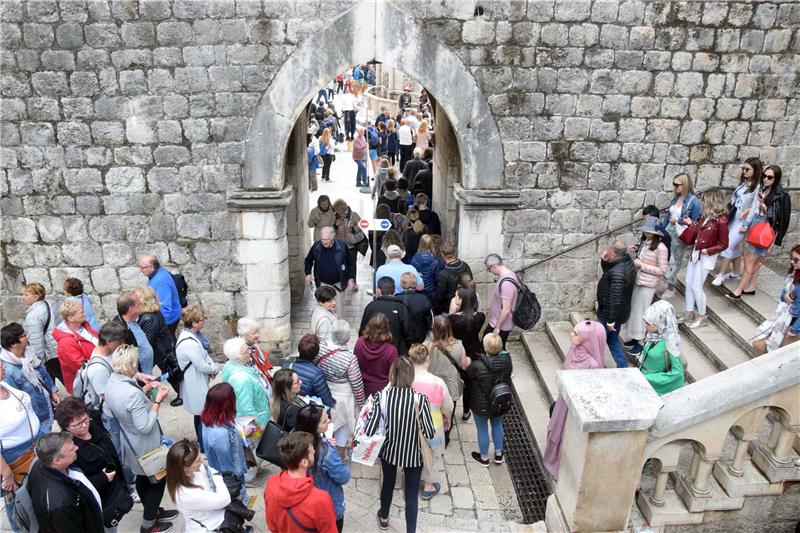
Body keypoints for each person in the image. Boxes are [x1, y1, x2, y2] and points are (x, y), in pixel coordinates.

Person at [104, 344, 177, 533]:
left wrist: (143, 392)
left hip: (130, 444)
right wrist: (157, 400)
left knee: (143, 478)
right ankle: (149, 524)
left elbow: (120, 409)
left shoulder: (113, 382)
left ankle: (152, 512)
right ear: (131, 365)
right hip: (146, 446)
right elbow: (145, 426)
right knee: (158, 482)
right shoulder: (130, 394)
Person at [365, 357, 435, 532]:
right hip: (413, 453)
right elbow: (430, 432)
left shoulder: (381, 397)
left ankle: (384, 518)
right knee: (411, 495)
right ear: (411, 376)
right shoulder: (421, 399)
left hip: (390, 450)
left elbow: (371, 429)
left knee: (388, 484)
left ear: (392, 374)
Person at [54, 397, 133, 531]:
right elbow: (74, 485)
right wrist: (102, 478)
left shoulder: (92, 426)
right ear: (66, 427)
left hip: (114, 489)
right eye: (77, 424)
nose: (84, 425)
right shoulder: (68, 449)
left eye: (85, 420)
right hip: (98, 501)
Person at [542, 320, 607, 479]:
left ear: (588, 338)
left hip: (573, 406)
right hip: (564, 399)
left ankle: (560, 466)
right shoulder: (575, 348)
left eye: (576, 333)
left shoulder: (592, 364)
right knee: (554, 428)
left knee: (565, 433)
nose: (571, 334)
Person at [730, 164, 793, 298]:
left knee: (750, 260)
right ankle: (751, 287)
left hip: (766, 228)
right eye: (764, 176)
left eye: (770, 177)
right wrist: (747, 222)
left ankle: (739, 290)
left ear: (776, 179)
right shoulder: (762, 189)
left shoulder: (782, 196)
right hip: (755, 224)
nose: (765, 179)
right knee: (752, 259)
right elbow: (754, 207)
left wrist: (777, 238)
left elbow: (783, 219)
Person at [167, 439, 252, 533]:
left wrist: (213, 474)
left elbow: (207, 469)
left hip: (217, 515)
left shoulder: (189, 473)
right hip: (212, 526)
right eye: (198, 460)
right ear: (184, 469)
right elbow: (224, 499)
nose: (202, 461)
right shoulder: (185, 494)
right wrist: (217, 476)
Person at [26, 432, 104, 533]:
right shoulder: (60, 505)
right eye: (72, 449)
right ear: (57, 460)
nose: (76, 448)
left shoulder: (40, 464)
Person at [263, 432, 338, 533]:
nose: (315, 451)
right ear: (304, 462)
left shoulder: (271, 483)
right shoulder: (321, 499)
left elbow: (272, 526)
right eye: (312, 451)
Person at [294, 405, 351, 532]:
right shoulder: (326, 453)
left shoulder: (294, 441)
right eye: (325, 420)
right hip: (328, 505)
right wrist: (334, 452)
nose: (329, 421)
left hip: (303, 504)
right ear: (313, 427)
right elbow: (344, 476)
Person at [678, 189, 729, 329]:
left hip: (706, 256)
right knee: (688, 283)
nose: (702, 202)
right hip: (696, 253)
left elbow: (724, 244)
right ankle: (689, 312)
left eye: (704, 200)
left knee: (696, 287)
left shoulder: (721, 221)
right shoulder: (704, 216)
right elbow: (699, 233)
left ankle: (702, 316)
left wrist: (708, 250)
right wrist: (691, 225)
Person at [408, 344, 453, 500]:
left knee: (412, 451)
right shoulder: (438, 383)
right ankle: (428, 485)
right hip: (433, 427)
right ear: (428, 358)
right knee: (432, 455)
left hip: (409, 425)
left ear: (410, 360)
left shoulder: (405, 381)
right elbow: (448, 406)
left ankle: (411, 477)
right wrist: (447, 418)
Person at [0, 362, 40, 531]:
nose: (3, 367)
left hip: (32, 450)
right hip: (13, 460)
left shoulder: (3, 383)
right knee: (19, 505)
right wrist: (6, 472)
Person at [316, 320, 366, 456]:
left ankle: (324, 454)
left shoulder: (321, 349)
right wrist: (361, 403)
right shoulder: (350, 358)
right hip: (343, 397)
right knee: (342, 428)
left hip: (324, 390)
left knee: (326, 424)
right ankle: (339, 455)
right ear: (348, 338)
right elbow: (356, 383)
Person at [1, 322, 58, 437]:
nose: (28, 336)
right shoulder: (8, 371)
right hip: (37, 415)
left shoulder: (30, 353)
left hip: (48, 405)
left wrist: (53, 391)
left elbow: (44, 374)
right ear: (13, 343)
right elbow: (16, 399)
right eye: (23, 335)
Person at [624, 217, 669, 355]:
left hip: (648, 284)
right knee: (634, 311)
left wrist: (642, 266)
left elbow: (662, 270)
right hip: (639, 281)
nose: (645, 234)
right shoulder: (645, 243)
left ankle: (640, 341)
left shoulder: (661, 248)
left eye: (648, 232)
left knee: (642, 312)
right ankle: (634, 336)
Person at [713, 158, 762, 285]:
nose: (744, 171)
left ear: (755, 171)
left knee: (728, 244)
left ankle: (721, 274)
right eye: (743, 169)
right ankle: (735, 272)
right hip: (734, 218)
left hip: (743, 221)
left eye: (747, 169)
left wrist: (749, 211)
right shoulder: (744, 184)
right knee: (733, 245)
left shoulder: (758, 187)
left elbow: (759, 204)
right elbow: (734, 201)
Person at [176, 304, 218, 451]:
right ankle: (204, 445)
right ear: (194, 323)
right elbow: (202, 365)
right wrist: (214, 368)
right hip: (194, 383)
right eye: (201, 319)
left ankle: (203, 442)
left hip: (196, 380)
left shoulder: (193, 337)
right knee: (202, 414)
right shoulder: (190, 343)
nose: (203, 321)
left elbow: (205, 355)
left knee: (200, 413)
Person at [467, 333, 512, 467]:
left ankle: (484, 458)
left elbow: (469, 375)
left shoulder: (477, 365)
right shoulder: (507, 360)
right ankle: (498, 454)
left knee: (482, 429)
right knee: (497, 425)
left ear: (485, 348)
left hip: (480, 404)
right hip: (499, 402)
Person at [134, 285, 183, 406]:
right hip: (163, 348)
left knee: (169, 374)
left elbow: (147, 342)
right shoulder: (154, 312)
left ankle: (182, 396)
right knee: (170, 373)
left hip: (160, 351)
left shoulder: (148, 318)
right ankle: (182, 395)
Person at [201, 383, 249, 503]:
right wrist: (237, 491)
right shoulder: (219, 435)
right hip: (231, 482)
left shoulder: (210, 418)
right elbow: (227, 466)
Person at [424, 316, 468, 445]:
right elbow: (464, 365)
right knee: (448, 413)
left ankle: (431, 435)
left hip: (432, 388)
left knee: (432, 413)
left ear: (434, 330)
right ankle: (445, 438)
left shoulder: (427, 345)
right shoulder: (459, 345)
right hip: (451, 387)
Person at [749, 244, 800, 355]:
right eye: (792, 258)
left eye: (796, 260)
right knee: (759, 344)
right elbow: (782, 296)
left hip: (793, 324)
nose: (792, 262)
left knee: (780, 354)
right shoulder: (794, 274)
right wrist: (786, 295)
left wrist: (794, 329)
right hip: (783, 318)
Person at [595, 240, 637, 367]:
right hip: (619, 313)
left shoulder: (618, 273)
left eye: (608, 249)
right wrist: (604, 261)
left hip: (608, 314)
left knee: (595, 341)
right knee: (613, 340)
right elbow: (610, 274)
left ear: (613, 253)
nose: (606, 251)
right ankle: (623, 366)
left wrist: (610, 320)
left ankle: (592, 367)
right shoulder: (626, 261)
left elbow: (615, 298)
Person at [660, 174, 700, 299]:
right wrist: (661, 230)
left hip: (679, 235)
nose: (675, 187)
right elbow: (668, 216)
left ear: (685, 184)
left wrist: (678, 220)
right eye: (674, 184)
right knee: (665, 257)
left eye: (677, 185)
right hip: (668, 232)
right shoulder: (676, 198)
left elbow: (694, 223)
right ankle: (667, 282)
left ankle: (671, 287)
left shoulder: (694, 202)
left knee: (674, 261)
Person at [221, 336, 271, 436]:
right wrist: (257, 428)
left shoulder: (231, 364)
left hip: (257, 417)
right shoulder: (242, 380)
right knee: (259, 448)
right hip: (258, 425)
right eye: (246, 351)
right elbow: (246, 410)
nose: (250, 352)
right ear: (238, 357)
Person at [638, 301, 685, 395]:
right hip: (642, 379)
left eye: (648, 323)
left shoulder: (671, 343)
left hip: (654, 387)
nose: (645, 326)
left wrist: (648, 378)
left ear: (660, 322)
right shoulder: (653, 333)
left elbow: (678, 374)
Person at [53, 299, 98, 395]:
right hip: (85, 385)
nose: (84, 314)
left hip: (96, 375)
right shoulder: (65, 343)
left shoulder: (84, 325)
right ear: (71, 318)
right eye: (81, 312)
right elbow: (80, 365)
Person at [304, 227, 357, 309]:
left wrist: (351, 278)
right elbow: (308, 260)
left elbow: (351, 263)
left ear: (333, 237)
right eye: (322, 239)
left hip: (338, 285)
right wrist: (308, 274)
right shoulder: (316, 247)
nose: (324, 242)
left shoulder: (342, 246)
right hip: (322, 285)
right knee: (324, 311)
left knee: (338, 311)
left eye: (327, 239)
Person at [359, 277, 412, 355]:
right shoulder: (401, 308)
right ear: (394, 291)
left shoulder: (370, 307)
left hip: (373, 352)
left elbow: (362, 332)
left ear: (379, 291)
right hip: (397, 354)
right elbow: (408, 333)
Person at [21, 282, 60, 385]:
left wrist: (38, 361)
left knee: (49, 382)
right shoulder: (51, 304)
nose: (23, 297)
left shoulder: (33, 315)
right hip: (58, 347)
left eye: (26, 295)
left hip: (50, 354)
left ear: (36, 296)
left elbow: (36, 341)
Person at [283, 334, 335, 408]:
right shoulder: (317, 374)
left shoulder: (286, 365)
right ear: (316, 354)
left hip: (288, 406)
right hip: (305, 410)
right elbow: (327, 402)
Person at [354, 313, 399, 396]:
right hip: (382, 391)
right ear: (387, 329)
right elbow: (393, 375)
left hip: (362, 388)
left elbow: (356, 365)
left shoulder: (359, 343)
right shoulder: (391, 350)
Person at [138, 254, 181, 336]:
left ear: (151, 267)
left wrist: (158, 325)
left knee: (166, 345)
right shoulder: (157, 273)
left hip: (168, 321)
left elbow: (166, 308)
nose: (141, 270)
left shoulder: (161, 281)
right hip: (168, 318)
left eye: (142, 268)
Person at [113, 291, 155, 374]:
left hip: (147, 372)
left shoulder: (132, 321)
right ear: (131, 310)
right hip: (139, 377)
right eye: (138, 304)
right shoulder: (121, 331)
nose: (141, 305)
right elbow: (125, 362)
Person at [484, 254, 519, 349]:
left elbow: (506, 309)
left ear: (494, 266)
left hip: (501, 325)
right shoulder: (509, 274)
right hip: (499, 322)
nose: (490, 272)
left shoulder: (506, 283)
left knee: (491, 348)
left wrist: (497, 328)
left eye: (489, 269)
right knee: (497, 349)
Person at [434, 241, 473, 315]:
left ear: (442, 254)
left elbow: (440, 296)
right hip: (466, 306)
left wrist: (435, 310)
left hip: (448, 309)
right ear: (454, 252)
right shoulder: (465, 266)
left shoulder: (443, 274)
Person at [397, 272, 433, 344]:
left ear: (401, 284)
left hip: (401, 339)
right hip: (420, 338)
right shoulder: (423, 299)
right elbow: (430, 320)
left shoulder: (396, 299)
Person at [333, 198, 366, 274]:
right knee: (340, 265)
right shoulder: (335, 217)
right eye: (336, 210)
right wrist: (335, 225)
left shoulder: (353, 215)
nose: (336, 212)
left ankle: (353, 281)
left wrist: (352, 229)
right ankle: (343, 281)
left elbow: (362, 226)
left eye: (338, 210)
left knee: (352, 265)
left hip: (352, 246)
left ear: (343, 208)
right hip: (339, 246)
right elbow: (331, 231)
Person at [410, 234, 444, 304]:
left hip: (418, 291)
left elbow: (412, 276)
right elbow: (438, 277)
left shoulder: (414, 259)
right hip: (432, 291)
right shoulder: (435, 260)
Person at [271, 368, 306, 433]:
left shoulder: (277, 401)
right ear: (287, 387)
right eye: (297, 382)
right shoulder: (293, 410)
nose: (301, 382)